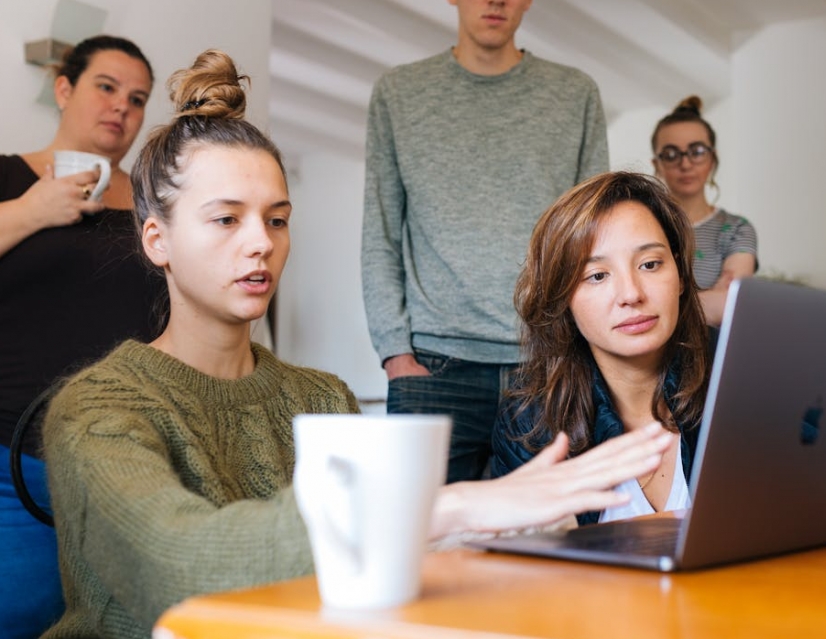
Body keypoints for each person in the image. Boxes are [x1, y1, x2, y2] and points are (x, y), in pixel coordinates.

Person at [39, 50, 668, 639]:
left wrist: (521, 525)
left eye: (277, 219)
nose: (261, 242)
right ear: (157, 240)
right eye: (227, 218)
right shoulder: (95, 411)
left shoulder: (322, 397)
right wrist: (446, 506)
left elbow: (376, 582)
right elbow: (177, 565)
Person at [361, 0, 610, 483]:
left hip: (547, 363)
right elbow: (381, 231)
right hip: (431, 369)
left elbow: (593, 237)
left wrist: (578, 348)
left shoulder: (575, 93)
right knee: (424, 546)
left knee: (541, 548)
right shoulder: (399, 92)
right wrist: (395, 353)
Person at [0, 35, 162, 639]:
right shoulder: (7, 177)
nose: (122, 106)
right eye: (106, 86)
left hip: (125, 464)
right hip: (13, 464)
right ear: (63, 89)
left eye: (138, 98)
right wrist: (32, 210)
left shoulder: (153, 206)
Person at [491, 172, 711, 525]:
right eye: (597, 275)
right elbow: (525, 573)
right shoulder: (530, 424)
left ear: (681, 275)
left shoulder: (739, 380)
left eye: (650, 264)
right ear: (563, 299)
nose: (631, 294)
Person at [651, 95, 757, 326]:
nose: (685, 164)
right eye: (670, 154)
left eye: (696, 151)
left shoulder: (737, 229)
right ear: (656, 165)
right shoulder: (644, 226)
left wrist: (653, 313)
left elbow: (728, 305)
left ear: (712, 158)